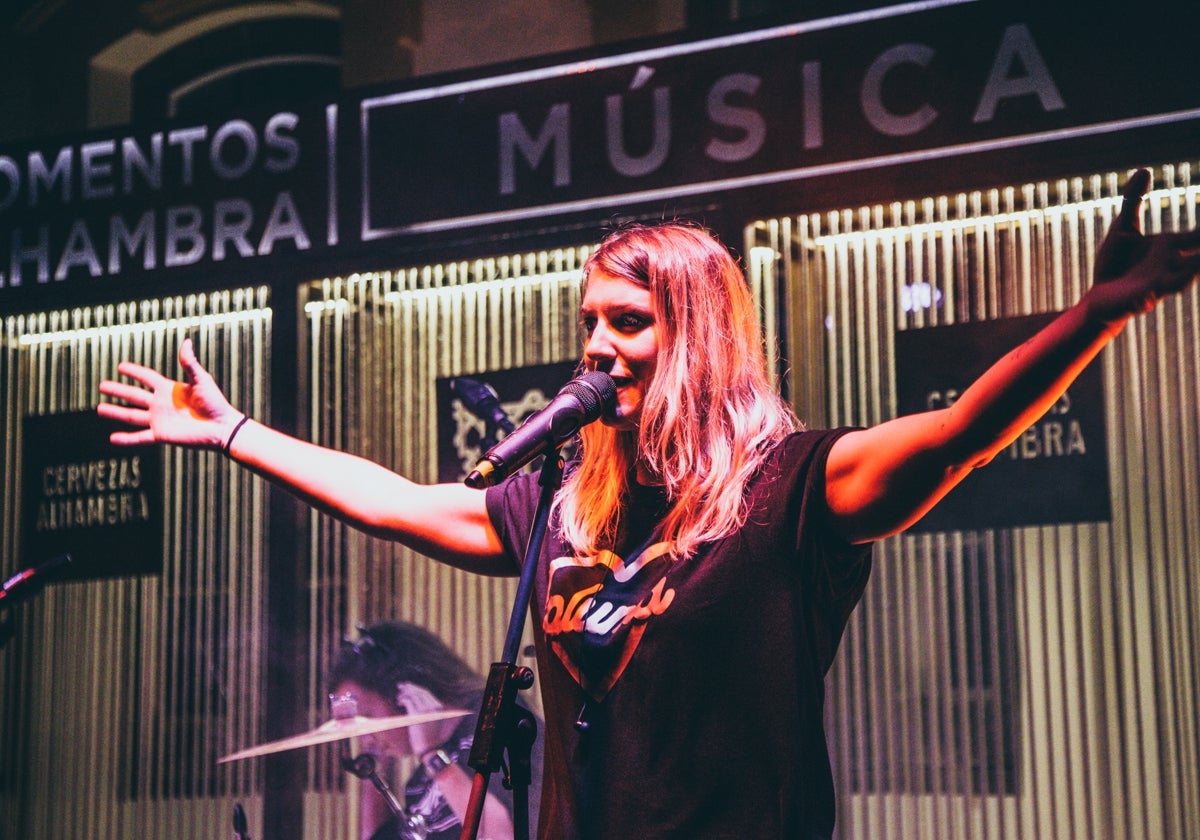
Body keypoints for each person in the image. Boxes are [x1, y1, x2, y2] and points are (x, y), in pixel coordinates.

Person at [97, 168, 1199, 839]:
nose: (596, 344)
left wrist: (1097, 314)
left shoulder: (790, 491)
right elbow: (397, 503)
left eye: (630, 321)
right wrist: (234, 432)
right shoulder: (563, 511)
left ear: (696, 335)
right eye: (589, 320)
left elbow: (957, 439)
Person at [328, 621, 527, 840]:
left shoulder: (492, 716)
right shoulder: (418, 785)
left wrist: (432, 754)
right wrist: (373, 766)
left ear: (403, 693)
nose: (364, 738)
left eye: (368, 717)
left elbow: (504, 836)